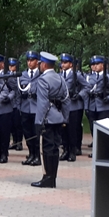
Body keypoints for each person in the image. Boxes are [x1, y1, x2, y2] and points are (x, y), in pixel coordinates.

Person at [31, 52, 68, 189]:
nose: (39, 65)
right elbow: (66, 100)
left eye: (40, 63)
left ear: (44, 64)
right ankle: (53, 178)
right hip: (58, 118)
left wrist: (39, 121)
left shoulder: (42, 80)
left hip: (46, 119)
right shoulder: (61, 78)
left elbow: (42, 103)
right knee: (55, 149)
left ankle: (47, 177)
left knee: (45, 149)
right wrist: (64, 117)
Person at [17, 52, 42, 166]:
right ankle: (31, 154)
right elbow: (18, 93)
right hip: (25, 107)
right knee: (27, 133)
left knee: (36, 133)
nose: (29, 62)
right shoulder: (23, 75)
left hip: (37, 108)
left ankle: (38, 156)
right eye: (28, 60)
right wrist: (19, 107)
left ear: (37, 61)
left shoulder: (42, 75)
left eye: (32, 60)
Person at [0, 53, 16, 164]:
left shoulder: (7, 75)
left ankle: (4, 153)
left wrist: (9, 98)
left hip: (5, 108)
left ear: (2, 64)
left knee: (4, 132)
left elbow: (14, 89)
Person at [60, 53, 84, 161]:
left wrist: (79, 95)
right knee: (63, 130)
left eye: (65, 62)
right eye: (62, 62)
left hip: (74, 106)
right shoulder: (59, 75)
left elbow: (87, 86)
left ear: (71, 64)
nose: (63, 64)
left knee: (72, 130)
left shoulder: (76, 75)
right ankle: (65, 150)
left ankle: (72, 151)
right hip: (62, 106)